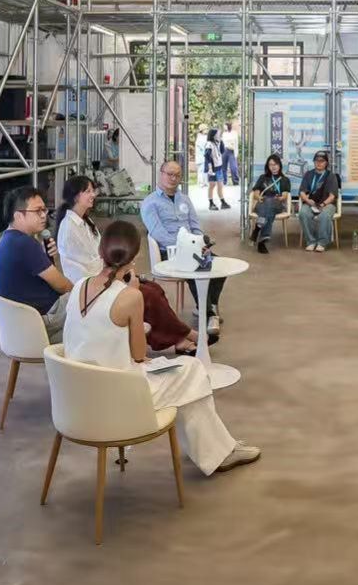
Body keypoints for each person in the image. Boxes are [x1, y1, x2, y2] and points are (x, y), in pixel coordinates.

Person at [62, 221, 260, 476]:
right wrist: (133, 297)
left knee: (187, 376)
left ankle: (217, 449)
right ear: (134, 257)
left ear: (101, 252)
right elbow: (139, 355)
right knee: (193, 370)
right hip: (119, 395)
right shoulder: (129, 296)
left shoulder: (80, 285)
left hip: (77, 395)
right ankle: (219, 451)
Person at [57, 175, 206, 355]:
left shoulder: (86, 222)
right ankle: (186, 335)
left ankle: (179, 339)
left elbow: (101, 256)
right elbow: (87, 266)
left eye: (92, 190)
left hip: (107, 276)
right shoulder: (69, 228)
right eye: (87, 191)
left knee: (154, 289)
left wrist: (121, 272)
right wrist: (119, 276)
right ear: (75, 196)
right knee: (149, 295)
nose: (93, 194)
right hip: (93, 285)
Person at [140, 160, 228, 333]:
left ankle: (206, 305)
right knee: (197, 268)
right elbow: (158, 234)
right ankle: (209, 314)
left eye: (177, 175)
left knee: (220, 267)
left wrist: (201, 243)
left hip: (193, 248)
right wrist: (187, 247)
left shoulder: (185, 199)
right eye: (170, 174)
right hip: (169, 252)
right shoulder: (150, 203)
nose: (173, 178)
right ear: (161, 174)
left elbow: (195, 226)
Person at [0, 186, 75, 343]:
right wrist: (80, 292)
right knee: (93, 300)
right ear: (18, 216)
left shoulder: (9, 239)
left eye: (44, 210)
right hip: (44, 318)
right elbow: (63, 286)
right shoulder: (25, 244)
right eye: (37, 211)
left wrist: (46, 257)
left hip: (22, 322)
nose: (44, 215)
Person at [297, 150, 340, 252]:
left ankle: (322, 242)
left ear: (326, 163)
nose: (319, 163)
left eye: (322, 161)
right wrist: (307, 200)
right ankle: (311, 241)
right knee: (303, 213)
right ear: (314, 162)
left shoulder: (331, 176)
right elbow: (302, 192)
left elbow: (332, 196)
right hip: (311, 203)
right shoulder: (308, 174)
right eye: (316, 161)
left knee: (324, 215)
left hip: (327, 204)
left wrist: (323, 204)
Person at [248, 153, 291, 255]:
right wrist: (258, 197)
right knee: (268, 208)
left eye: (275, 164)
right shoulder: (263, 177)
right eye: (271, 165)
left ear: (279, 165)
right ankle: (262, 241)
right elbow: (256, 192)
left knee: (270, 202)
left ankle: (257, 228)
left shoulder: (285, 179)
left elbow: (285, 195)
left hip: (277, 203)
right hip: (262, 202)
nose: (273, 167)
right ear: (268, 166)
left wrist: (280, 198)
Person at [203, 128, 229, 211]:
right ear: (213, 135)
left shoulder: (217, 143)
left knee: (220, 185)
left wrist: (221, 141)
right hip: (212, 168)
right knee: (212, 185)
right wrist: (210, 168)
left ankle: (223, 202)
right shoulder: (209, 144)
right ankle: (211, 203)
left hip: (219, 167)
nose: (219, 135)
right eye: (217, 134)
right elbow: (207, 157)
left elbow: (222, 151)